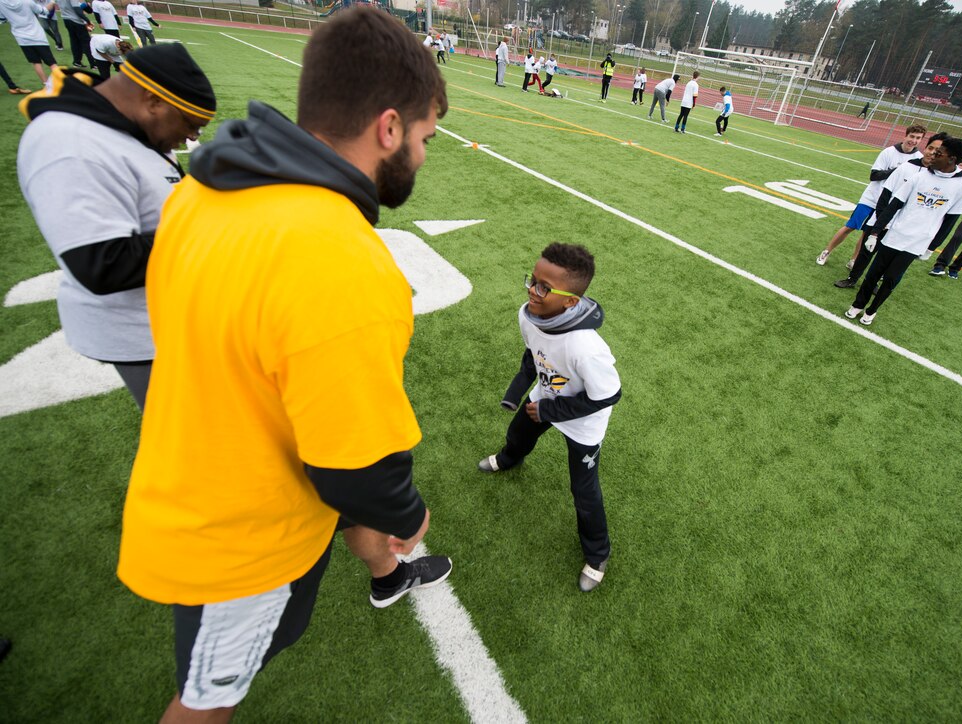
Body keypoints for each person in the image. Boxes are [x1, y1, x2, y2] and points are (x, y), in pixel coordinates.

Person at [116, 9, 453, 718]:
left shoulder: (199, 192)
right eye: (425, 137)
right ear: (388, 127)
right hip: (240, 535)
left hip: (198, 471)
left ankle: (386, 576)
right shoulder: (340, 258)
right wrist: (406, 511)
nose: (423, 155)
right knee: (204, 703)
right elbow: (354, 462)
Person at [17, 44, 214, 410]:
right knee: (194, 439)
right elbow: (101, 262)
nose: (191, 139)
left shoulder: (125, 126)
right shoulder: (69, 143)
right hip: (143, 336)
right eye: (190, 124)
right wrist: (212, 233)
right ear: (153, 101)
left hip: (172, 321)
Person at [478, 243, 621, 593]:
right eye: (533, 280)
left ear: (570, 301)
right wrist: (517, 393)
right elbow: (534, 356)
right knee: (518, 435)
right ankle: (509, 459)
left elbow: (608, 395)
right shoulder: (528, 314)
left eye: (544, 287)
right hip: (544, 400)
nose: (532, 290)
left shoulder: (586, 348)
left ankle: (598, 553)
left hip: (581, 422)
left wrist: (548, 410)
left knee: (583, 491)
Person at [845, 137, 962, 325]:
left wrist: (931, 248)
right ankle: (858, 304)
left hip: (918, 241)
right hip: (895, 234)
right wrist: (875, 232)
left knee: (890, 279)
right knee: (873, 274)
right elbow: (894, 205)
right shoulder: (920, 176)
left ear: (952, 159)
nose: (933, 156)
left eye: (939, 154)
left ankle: (872, 310)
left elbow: (950, 221)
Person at [833, 131, 948, 289]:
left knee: (884, 257)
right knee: (866, 251)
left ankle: (871, 283)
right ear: (926, 147)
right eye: (931, 148)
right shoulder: (907, 167)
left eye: (938, 151)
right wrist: (882, 219)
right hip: (882, 219)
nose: (933, 153)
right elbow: (886, 193)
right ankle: (852, 278)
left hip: (902, 226)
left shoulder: (940, 179)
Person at [816, 124, 926, 266]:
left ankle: (854, 260)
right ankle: (827, 251)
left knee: (867, 233)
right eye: (912, 136)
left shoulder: (919, 158)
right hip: (871, 199)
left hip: (888, 204)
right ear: (905, 136)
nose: (914, 140)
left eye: (918, 138)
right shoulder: (889, 152)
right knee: (851, 226)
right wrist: (897, 171)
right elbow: (874, 175)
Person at [0, 0, 60, 87]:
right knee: (51, 62)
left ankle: (47, 85)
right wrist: (52, 2)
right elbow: (44, 11)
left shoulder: (1, 3)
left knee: (36, 62)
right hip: (37, 36)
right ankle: (64, 82)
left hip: (21, 38)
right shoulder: (27, 1)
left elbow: (2, 20)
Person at [57, 0, 92, 67]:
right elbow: (77, 9)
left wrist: (84, 5)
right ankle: (93, 64)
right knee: (86, 42)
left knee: (74, 41)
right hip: (76, 21)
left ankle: (77, 62)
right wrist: (87, 20)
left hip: (66, 19)